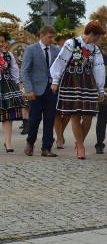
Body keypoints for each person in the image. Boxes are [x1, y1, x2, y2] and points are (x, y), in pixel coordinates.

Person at [50, 21, 107, 159]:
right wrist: (55, 81)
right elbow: (61, 61)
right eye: (97, 37)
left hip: (88, 82)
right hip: (71, 81)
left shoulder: (95, 49)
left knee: (88, 116)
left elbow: (98, 68)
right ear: (92, 34)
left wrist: (100, 89)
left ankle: (79, 141)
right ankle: (81, 147)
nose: (98, 39)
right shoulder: (71, 43)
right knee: (75, 114)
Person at [22, 26, 60, 157]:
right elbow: (25, 71)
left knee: (49, 120)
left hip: (52, 90)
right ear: (42, 35)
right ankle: (30, 142)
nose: (52, 39)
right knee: (34, 119)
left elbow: (60, 68)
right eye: (50, 37)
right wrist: (29, 89)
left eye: (53, 37)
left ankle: (46, 148)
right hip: (36, 91)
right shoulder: (31, 49)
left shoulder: (57, 50)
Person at [0, 31, 25, 152]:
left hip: (6, 86)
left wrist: (18, 84)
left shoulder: (8, 55)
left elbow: (14, 70)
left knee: (7, 116)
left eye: (2, 42)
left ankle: (8, 143)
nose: (1, 44)